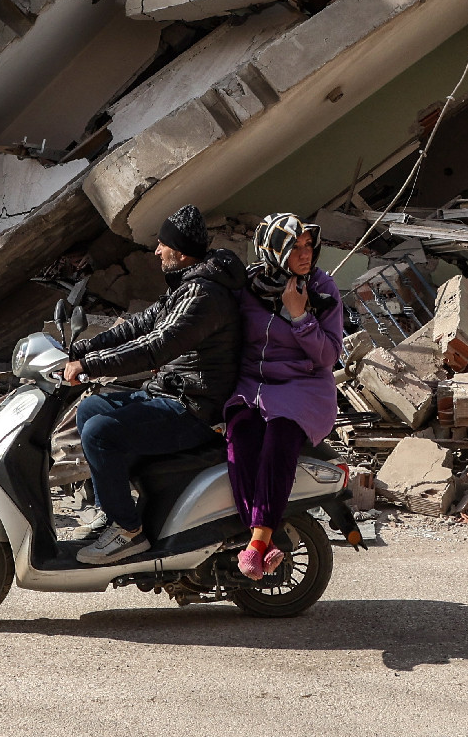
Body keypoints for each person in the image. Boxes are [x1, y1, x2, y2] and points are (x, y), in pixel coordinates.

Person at [62, 204, 247, 565]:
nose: (157, 250)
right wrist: (84, 346)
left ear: (180, 251)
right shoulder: (190, 284)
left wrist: (88, 364)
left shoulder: (204, 296)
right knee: (90, 407)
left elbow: (155, 347)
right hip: (173, 393)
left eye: (163, 244)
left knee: (100, 432)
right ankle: (110, 511)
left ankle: (128, 532)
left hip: (193, 408)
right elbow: (140, 324)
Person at [225, 213, 345, 581]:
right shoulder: (247, 287)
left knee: (279, 439)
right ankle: (262, 540)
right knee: (240, 438)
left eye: (308, 245)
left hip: (303, 388)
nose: (305, 254)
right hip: (253, 385)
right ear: (272, 250)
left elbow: (328, 357)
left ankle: (257, 544)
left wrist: (299, 316)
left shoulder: (322, 290)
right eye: (294, 247)